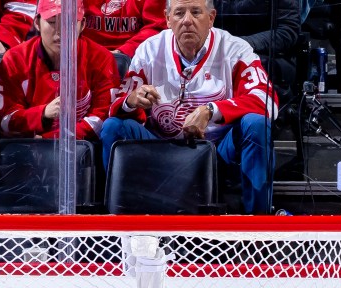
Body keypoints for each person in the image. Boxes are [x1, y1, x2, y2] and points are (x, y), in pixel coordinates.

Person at [101, 0, 277, 214]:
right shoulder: (149, 49)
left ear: (211, 17)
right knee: (113, 127)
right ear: (167, 19)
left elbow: (267, 100)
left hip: (217, 152)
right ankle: (117, 222)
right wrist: (131, 101)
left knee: (257, 124)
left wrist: (211, 110)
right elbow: (115, 105)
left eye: (195, 12)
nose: (187, 21)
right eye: (179, 13)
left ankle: (258, 226)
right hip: (160, 150)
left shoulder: (235, 49)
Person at [0, 0, 118, 139]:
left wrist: (49, 138)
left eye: (70, 22)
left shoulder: (101, 58)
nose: (60, 31)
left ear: (82, 25)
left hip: (80, 152)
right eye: (52, 22)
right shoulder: (15, 59)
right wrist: (42, 114)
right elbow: (5, 119)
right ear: (37, 23)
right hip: (27, 149)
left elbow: (101, 117)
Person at [81, 0, 167, 73]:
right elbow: (72, 23)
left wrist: (124, 51)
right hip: (87, 57)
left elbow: (156, 27)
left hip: (135, 59)